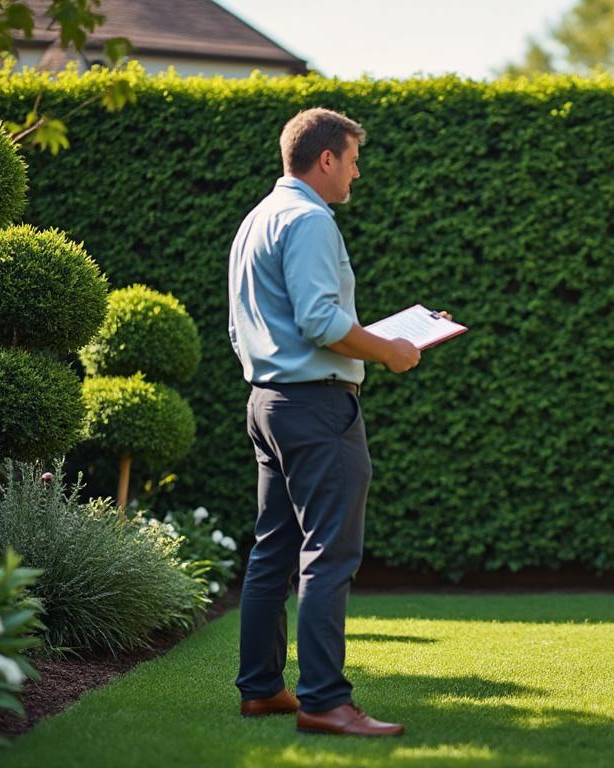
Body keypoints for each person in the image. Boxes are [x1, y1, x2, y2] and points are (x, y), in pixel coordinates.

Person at [228, 107, 420, 736]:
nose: (358, 174)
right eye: (354, 161)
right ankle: (325, 702)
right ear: (327, 159)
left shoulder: (256, 220)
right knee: (328, 555)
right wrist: (391, 350)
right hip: (315, 407)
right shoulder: (311, 220)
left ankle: (260, 689)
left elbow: (251, 327)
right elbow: (320, 322)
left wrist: (376, 337)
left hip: (268, 402)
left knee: (272, 552)